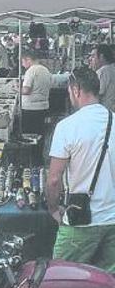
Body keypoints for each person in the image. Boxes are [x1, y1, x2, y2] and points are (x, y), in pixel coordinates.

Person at [46, 67, 115, 273]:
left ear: (76, 90)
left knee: (62, 278)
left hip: (80, 222)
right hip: (113, 219)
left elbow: (54, 180)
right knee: (108, 286)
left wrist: (52, 208)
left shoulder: (68, 126)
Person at [20, 48, 53, 137]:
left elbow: (26, 90)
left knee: (29, 135)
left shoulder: (31, 71)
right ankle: (38, 150)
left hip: (30, 109)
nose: (22, 65)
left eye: (22, 61)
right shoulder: (46, 70)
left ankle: (31, 151)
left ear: (28, 59)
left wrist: (17, 89)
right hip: (43, 107)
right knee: (40, 134)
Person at [90, 44, 115, 111]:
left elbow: (96, 95)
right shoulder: (112, 68)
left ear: (101, 57)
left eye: (93, 56)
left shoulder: (103, 71)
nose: (90, 59)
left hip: (105, 112)